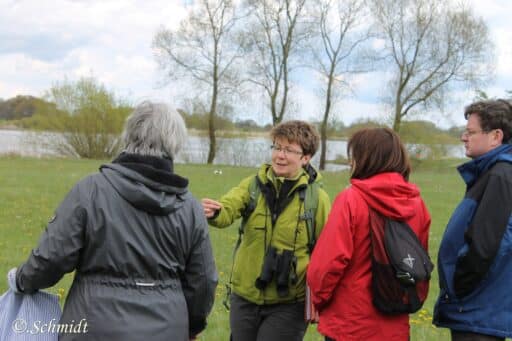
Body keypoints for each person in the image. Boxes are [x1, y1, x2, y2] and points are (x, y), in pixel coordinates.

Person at [7, 101, 218, 341]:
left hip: (93, 327)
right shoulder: (189, 206)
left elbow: (52, 256)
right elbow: (203, 280)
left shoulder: (90, 190)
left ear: (129, 136)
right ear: (174, 143)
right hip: (166, 329)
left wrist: (22, 280)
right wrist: (191, 326)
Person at [202, 120, 331, 341]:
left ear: (306, 157)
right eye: (277, 147)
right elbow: (228, 209)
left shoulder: (316, 199)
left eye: (289, 150)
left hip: (289, 304)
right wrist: (215, 212)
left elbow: (327, 252)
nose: (280, 155)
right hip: (244, 297)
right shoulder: (252, 185)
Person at [307, 127, 431, 341]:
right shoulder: (416, 204)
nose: (350, 163)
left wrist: (317, 300)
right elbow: (419, 262)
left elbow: (328, 263)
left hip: (350, 322)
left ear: (366, 158)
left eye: (353, 156)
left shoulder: (351, 199)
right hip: (394, 320)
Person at [433, 99, 512, 341]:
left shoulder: (500, 176)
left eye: (470, 132)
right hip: (478, 310)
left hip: (478, 311)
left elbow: (486, 246)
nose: (463, 137)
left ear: (496, 136)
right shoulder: (490, 173)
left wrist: (460, 287)